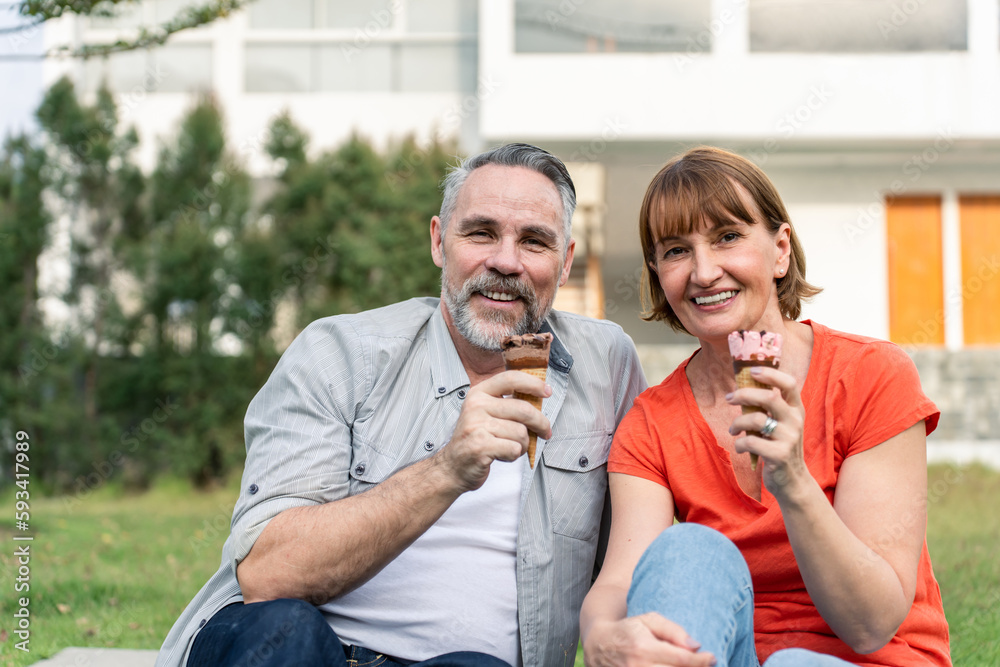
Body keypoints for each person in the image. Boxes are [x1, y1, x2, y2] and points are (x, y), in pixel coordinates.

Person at [155, 143, 647, 667]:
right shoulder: (339, 354)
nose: (506, 261)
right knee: (286, 630)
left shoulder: (607, 365)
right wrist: (447, 470)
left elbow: (642, 550)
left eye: (534, 241)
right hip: (299, 649)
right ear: (439, 241)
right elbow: (267, 577)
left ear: (566, 261)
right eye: (481, 233)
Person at [580, 146, 951, 667]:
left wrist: (794, 481)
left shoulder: (871, 375)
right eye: (676, 251)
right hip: (729, 656)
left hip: (869, 658)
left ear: (780, 251)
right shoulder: (651, 421)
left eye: (727, 237)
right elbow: (619, 580)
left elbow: (871, 624)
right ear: (659, 273)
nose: (704, 272)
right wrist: (599, 636)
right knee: (687, 549)